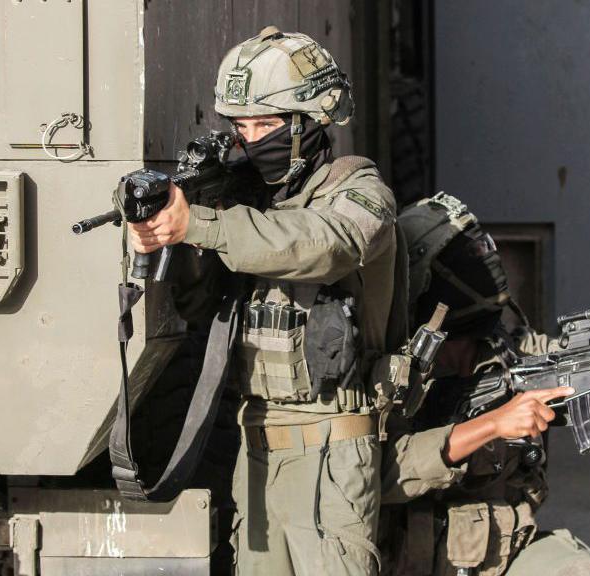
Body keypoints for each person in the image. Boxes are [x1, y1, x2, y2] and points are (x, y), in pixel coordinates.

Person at [129, 26, 399, 575]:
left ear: (310, 122)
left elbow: (325, 246)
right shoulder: (243, 200)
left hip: (332, 448)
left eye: (268, 125)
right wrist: (164, 232)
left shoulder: (359, 190)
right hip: (254, 446)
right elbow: (200, 307)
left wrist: (200, 223)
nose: (252, 140)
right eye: (241, 126)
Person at [377, 193, 590, 575]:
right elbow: (380, 473)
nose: (486, 264)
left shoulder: (508, 349)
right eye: (469, 258)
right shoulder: (388, 372)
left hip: (502, 554)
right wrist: (493, 424)